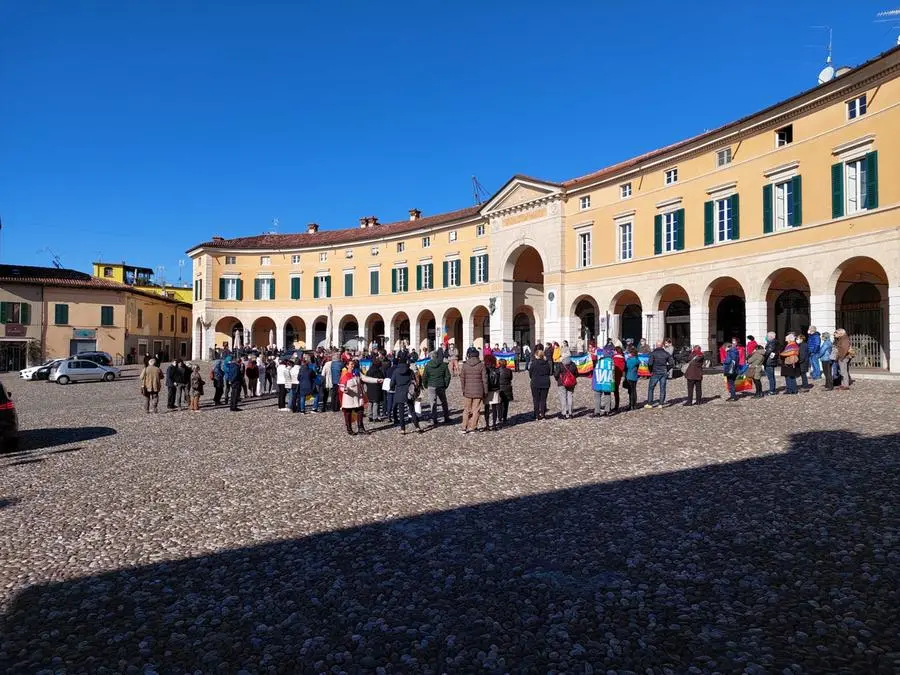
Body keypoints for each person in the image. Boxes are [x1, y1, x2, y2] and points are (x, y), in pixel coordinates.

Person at [340, 359, 381, 435]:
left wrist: (377, 380)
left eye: (353, 364)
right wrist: (344, 389)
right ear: (347, 366)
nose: (352, 366)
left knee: (360, 411)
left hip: (358, 397)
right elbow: (341, 386)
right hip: (349, 398)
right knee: (348, 413)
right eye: (351, 364)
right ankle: (349, 429)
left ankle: (361, 428)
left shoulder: (357, 373)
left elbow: (365, 378)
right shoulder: (345, 375)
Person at [391, 357, 423, 434]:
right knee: (412, 410)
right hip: (409, 392)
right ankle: (417, 427)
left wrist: (392, 388)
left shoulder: (396, 371)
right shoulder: (410, 371)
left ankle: (403, 429)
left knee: (401, 412)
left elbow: (392, 382)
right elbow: (414, 381)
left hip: (399, 392)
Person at [459, 347, 487, 434]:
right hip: (478, 391)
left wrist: (463, 389)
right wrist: (485, 391)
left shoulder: (465, 365)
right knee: (476, 410)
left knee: (466, 410)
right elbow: (485, 380)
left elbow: (462, 379)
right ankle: (473, 427)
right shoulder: (481, 365)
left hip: (467, 391)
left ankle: (464, 427)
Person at [422, 348, 451, 426]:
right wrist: (445, 385)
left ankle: (434, 419)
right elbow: (448, 376)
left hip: (431, 386)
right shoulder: (443, 365)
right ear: (437, 356)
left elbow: (424, 377)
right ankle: (446, 418)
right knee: (444, 402)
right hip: (441, 386)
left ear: (431, 357)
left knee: (433, 403)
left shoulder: (428, 365)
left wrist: (425, 385)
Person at [645, 340, 674, 408]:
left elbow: (650, 364)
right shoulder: (666, 353)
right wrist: (667, 368)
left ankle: (650, 403)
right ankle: (661, 404)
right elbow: (672, 363)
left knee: (651, 388)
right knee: (662, 388)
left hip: (655, 371)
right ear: (662, 346)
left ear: (656, 345)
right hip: (663, 371)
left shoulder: (653, 353)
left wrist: (650, 371)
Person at [528, 348, 552, 420]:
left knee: (536, 399)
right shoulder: (547, 363)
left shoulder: (533, 363)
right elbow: (549, 372)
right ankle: (543, 414)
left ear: (537, 356)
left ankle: (536, 415)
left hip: (535, 382)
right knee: (543, 399)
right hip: (545, 382)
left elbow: (530, 374)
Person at [365, 358, 385, 422]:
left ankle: (370, 416)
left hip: (369, 389)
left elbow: (366, 380)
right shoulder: (378, 371)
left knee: (370, 402)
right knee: (376, 403)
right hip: (377, 389)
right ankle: (375, 417)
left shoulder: (369, 371)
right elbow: (382, 379)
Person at [497, 359, 513, 425]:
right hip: (507, 388)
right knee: (506, 404)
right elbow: (511, 378)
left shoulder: (497, 371)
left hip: (499, 388)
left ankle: (500, 417)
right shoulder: (509, 370)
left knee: (499, 404)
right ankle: (504, 417)